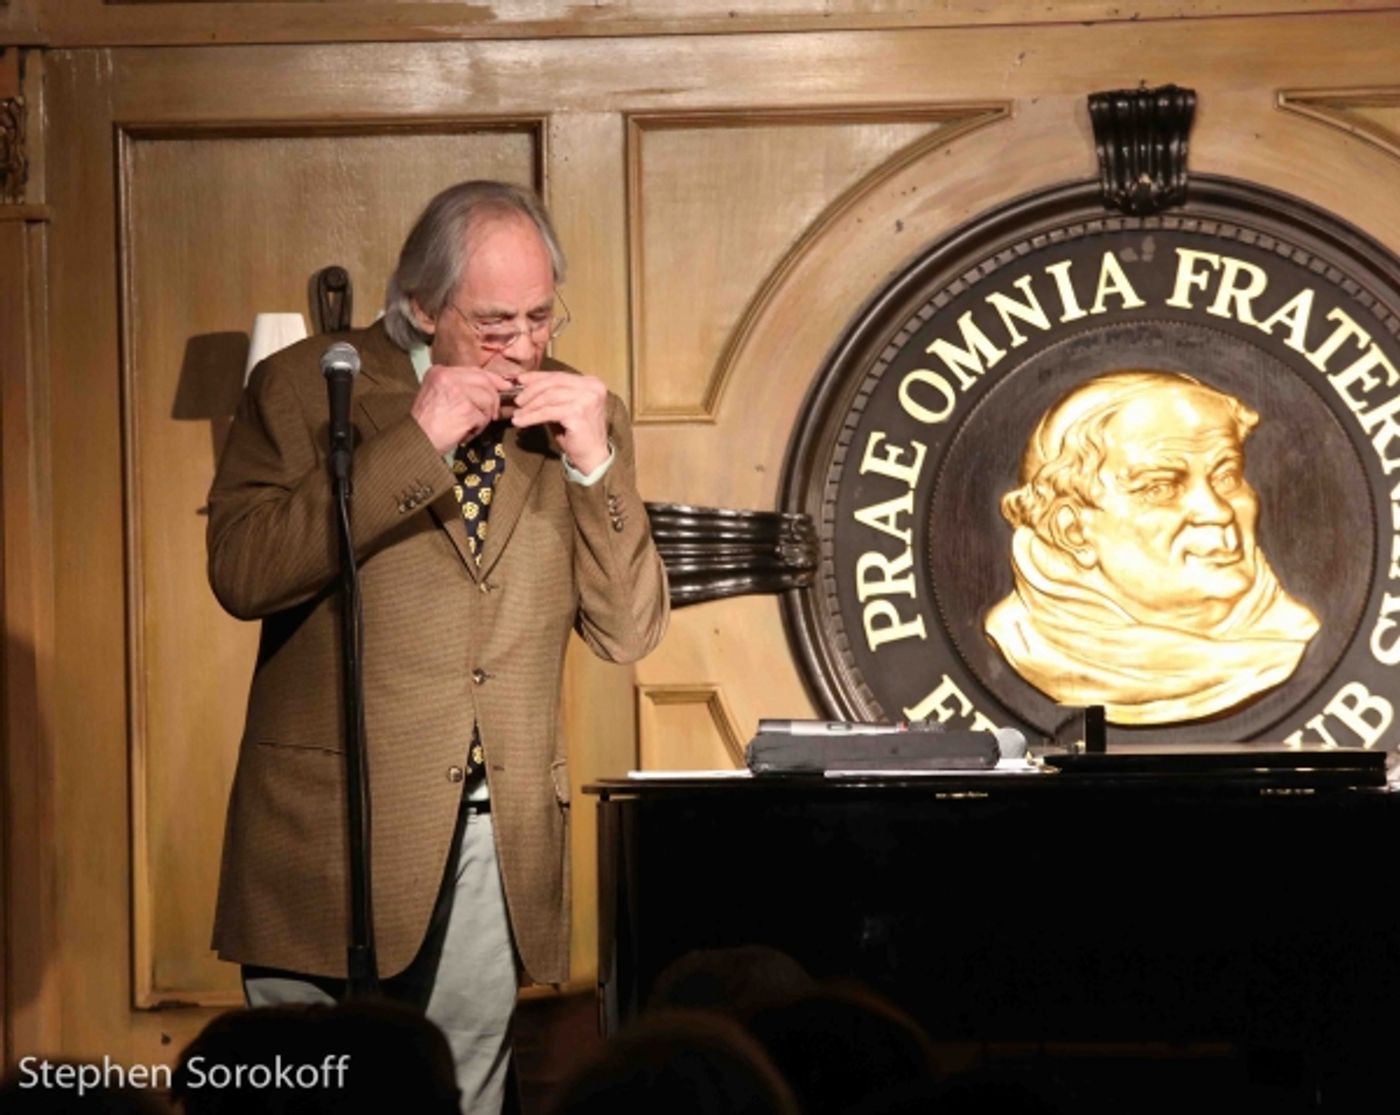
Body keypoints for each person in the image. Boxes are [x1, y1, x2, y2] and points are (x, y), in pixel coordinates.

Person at [206, 179, 669, 1113]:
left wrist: (597, 464)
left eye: (541, 316)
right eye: (495, 324)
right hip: (333, 826)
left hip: (493, 830)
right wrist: (415, 442)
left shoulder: (574, 410)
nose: (527, 346)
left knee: (464, 1089)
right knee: (305, 1092)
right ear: (420, 303)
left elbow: (627, 629)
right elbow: (243, 572)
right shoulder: (304, 388)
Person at [984, 369, 1317, 724]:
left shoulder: (1291, 631)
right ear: (1073, 532)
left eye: (1226, 477)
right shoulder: (1025, 640)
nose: (1216, 511)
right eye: (1159, 488)